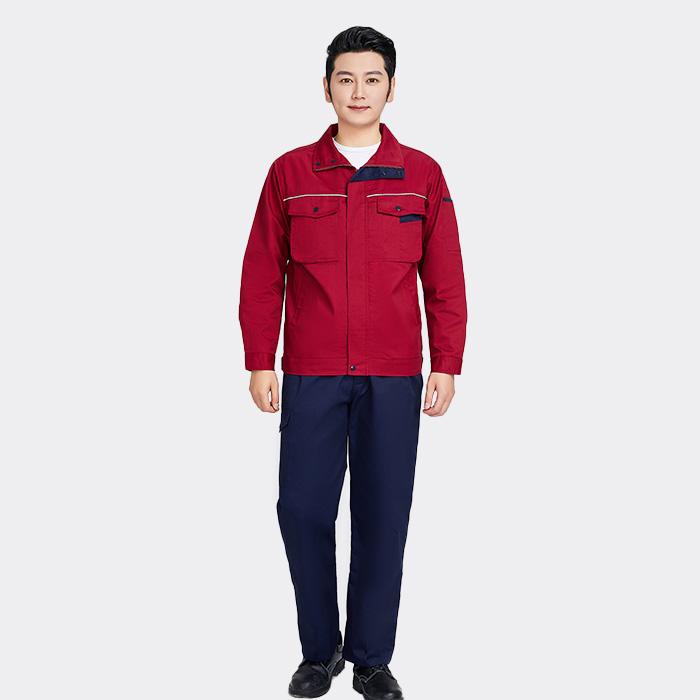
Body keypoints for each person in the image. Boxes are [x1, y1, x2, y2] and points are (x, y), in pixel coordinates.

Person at [238, 25, 468, 700]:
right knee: (302, 509)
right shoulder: (289, 173)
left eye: (372, 79)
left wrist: (447, 361)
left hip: (393, 374)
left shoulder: (422, 175)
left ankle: (371, 658)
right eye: (346, 78)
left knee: (382, 514)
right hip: (311, 371)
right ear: (326, 88)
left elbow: (445, 278)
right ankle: (320, 652)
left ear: (391, 88)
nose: (359, 91)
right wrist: (259, 359)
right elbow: (262, 273)